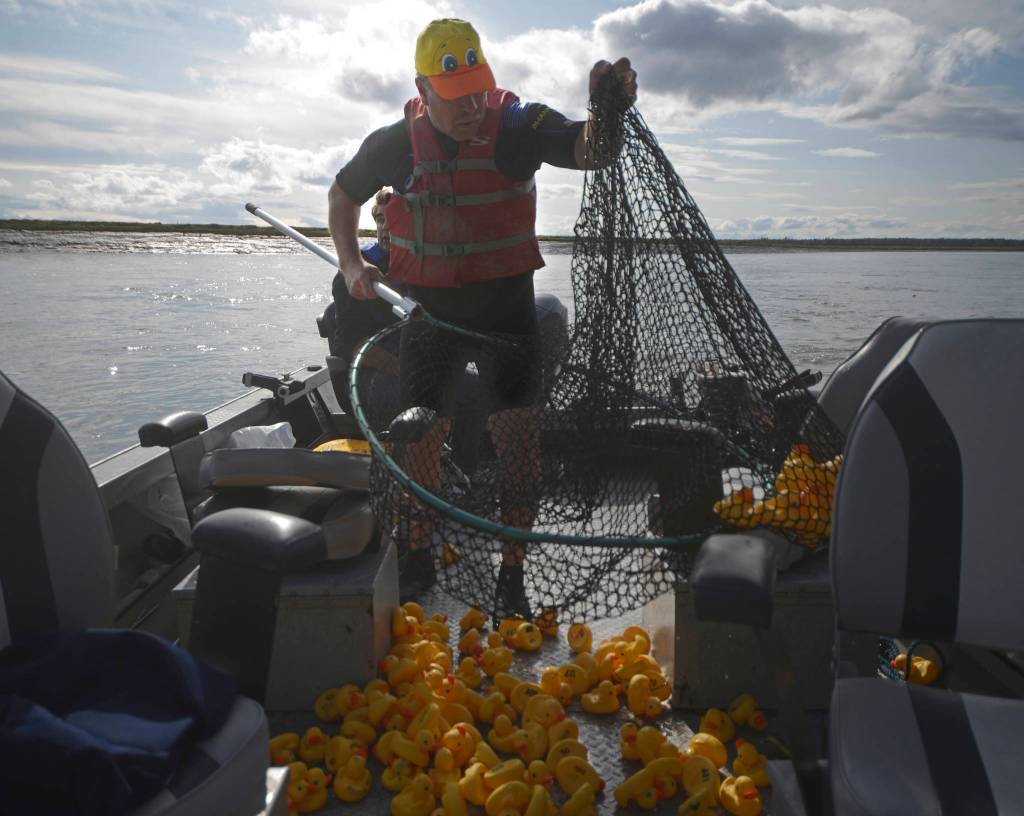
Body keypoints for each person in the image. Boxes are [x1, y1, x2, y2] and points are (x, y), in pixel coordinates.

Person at [327, 18, 637, 614]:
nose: (470, 104)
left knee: (519, 443)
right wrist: (349, 264)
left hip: (507, 316)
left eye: (476, 88)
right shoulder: (394, 143)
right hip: (432, 317)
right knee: (421, 440)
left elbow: (588, 149)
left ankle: (512, 574)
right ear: (422, 91)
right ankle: (418, 556)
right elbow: (343, 196)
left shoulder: (518, 126)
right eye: (453, 96)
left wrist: (609, 113)